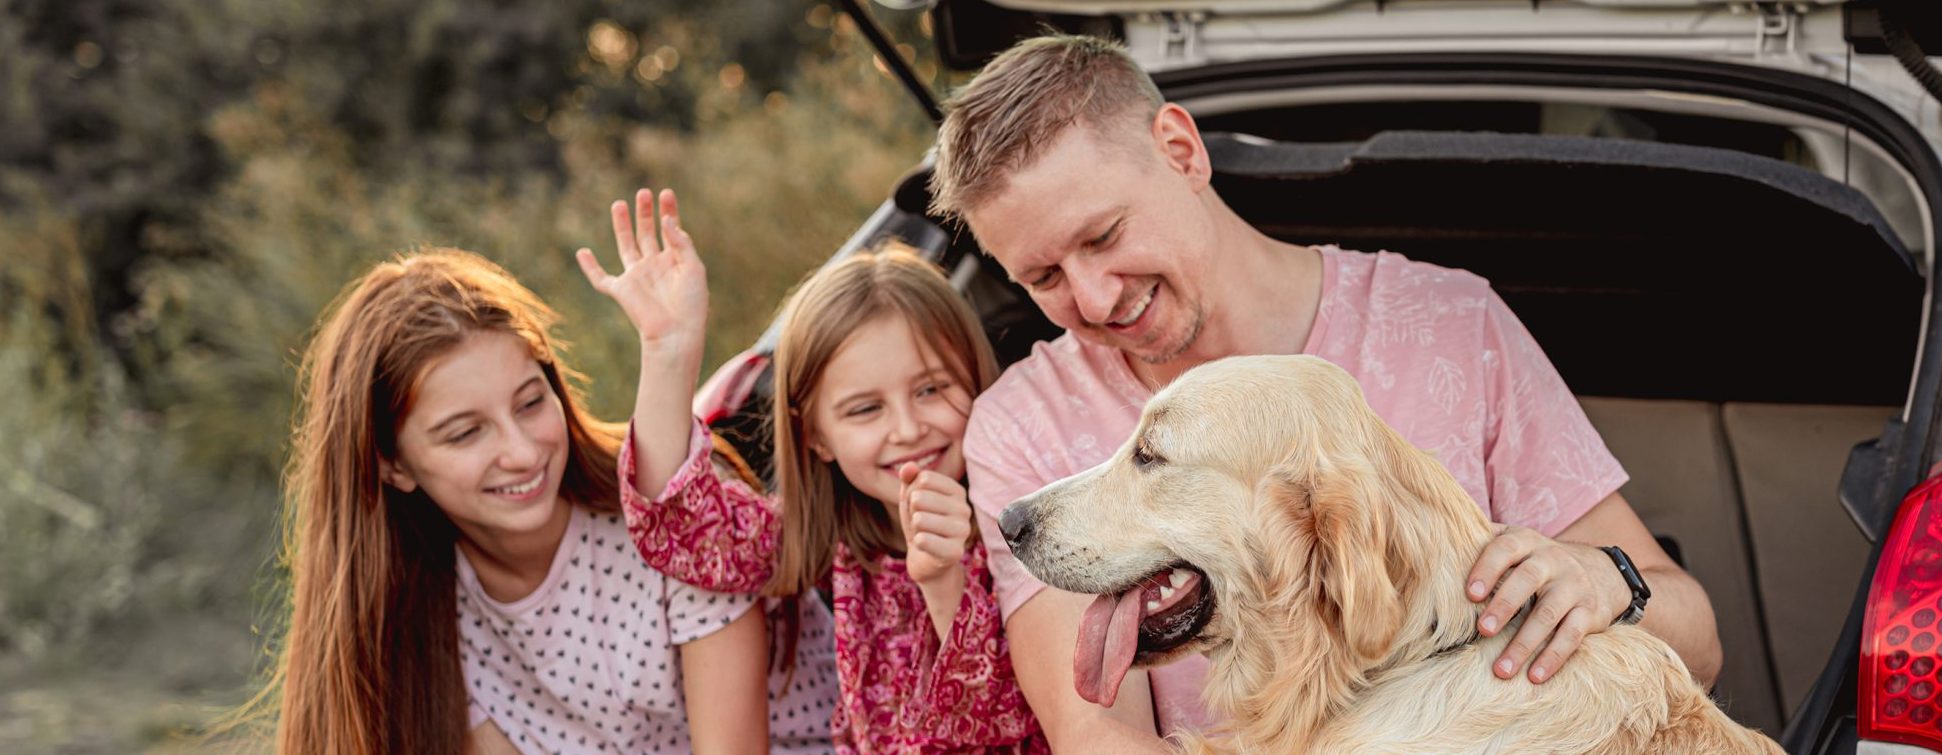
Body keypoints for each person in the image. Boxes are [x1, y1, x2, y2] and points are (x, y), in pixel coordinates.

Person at [931, 35, 1728, 749]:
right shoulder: (1023, 425)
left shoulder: (1450, 323)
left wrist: (1606, 581)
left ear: (1179, 150)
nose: (1096, 300)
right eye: (1042, 278)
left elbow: (1696, 641)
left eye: (1103, 236)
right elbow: (1099, 737)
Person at [261, 248, 835, 754]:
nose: (521, 451)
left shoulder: (677, 513)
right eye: (466, 433)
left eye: (531, 403)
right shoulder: (416, 609)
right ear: (392, 464)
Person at [584, 189, 1047, 753]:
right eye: (865, 409)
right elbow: (680, 527)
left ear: (976, 380)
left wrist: (945, 582)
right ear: (816, 437)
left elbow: (1008, 722)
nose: (906, 428)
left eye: (931, 389)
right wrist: (667, 351)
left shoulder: (1025, 527)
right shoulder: (828, 538)